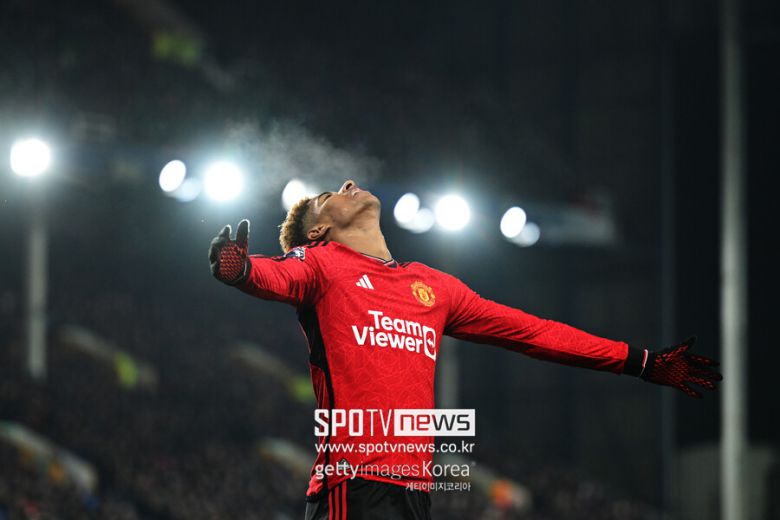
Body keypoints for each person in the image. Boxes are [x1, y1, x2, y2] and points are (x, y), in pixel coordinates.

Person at [208, 179, 721, 520]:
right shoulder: (320, 265)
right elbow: (272, 275)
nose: (345, 184)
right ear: (319, 232)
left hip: (414, 493)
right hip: (353, 487)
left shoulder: (434, 287)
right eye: (327, 196)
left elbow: (535, 333)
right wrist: (240, 269)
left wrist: (640, 361)